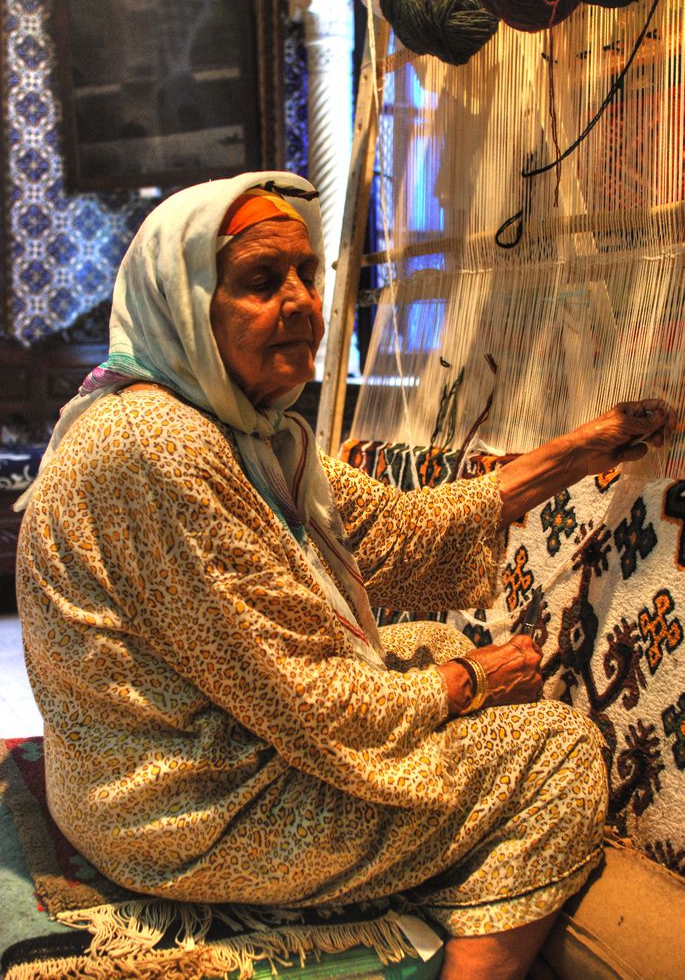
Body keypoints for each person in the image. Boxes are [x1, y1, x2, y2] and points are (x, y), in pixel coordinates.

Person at [16, 173, 675, 980]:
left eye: (305, 274)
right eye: (260, 281)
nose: (300, 302)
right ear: (184, 301)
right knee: (554, 755)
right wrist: (468, 678)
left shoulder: (246, 434)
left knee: (425, 638)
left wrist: (570, 455)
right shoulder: (160, 446)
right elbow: (313, 700)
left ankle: (461, 881)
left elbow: (392, 532)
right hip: (185, 817)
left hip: (157, 770)